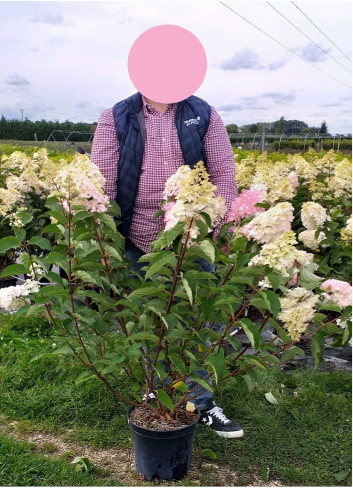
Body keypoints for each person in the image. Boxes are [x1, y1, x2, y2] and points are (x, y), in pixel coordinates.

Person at [91, 91, 244, 438]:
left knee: (197, 320)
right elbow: (103, 182)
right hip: (138, 235)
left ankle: (200, 402)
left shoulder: (203, 112)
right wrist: (105, 238)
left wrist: (217, 229)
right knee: (149, 318)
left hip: (191, 236)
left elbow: (223, 174)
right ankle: (156, 394)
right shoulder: (116, 116)